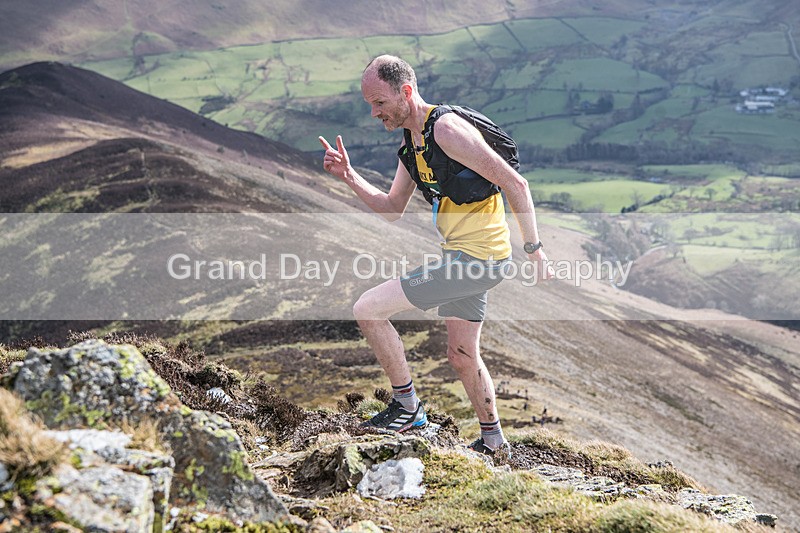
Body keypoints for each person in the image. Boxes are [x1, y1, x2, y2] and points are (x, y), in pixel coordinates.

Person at [319, 55, 553, 457]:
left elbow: (515, 182)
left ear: (405, 92)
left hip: (477, 261)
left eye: (379, 103)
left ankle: (408, 408)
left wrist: (534, 248)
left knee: (368, 309)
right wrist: (349, 176)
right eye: (370, 105)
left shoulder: (445, 130)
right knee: (462, 355)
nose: (375, 113)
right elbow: (391, 208)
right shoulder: (412, 146)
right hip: (468, 258)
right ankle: (495, 443)